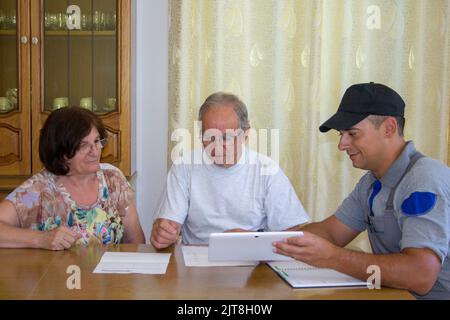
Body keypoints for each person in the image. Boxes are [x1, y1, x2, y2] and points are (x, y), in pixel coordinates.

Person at [273, 82, 450, 299]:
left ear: (389, 128)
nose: (342, 145)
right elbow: (330, 233)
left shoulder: (424, 179)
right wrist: (258, 241)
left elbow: (420, 276)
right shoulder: (370, 182)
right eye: (341, 134)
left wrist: (333, 257)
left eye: (352, 133)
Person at [151, 92, 309, 248]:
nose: (217, 146)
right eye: (210, 137)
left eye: (226, 137)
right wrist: (163, 233)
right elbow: (168, 224)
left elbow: (290, 234)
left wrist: (252, 240)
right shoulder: (184, 166)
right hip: (197, 259)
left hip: (251, 260)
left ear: (245, 134)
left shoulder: (267, 170)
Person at [0, 107, 145, 250]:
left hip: (109, 273)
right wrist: (40, 239)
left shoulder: (113, 179)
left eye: (96, 141)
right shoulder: (40, 189)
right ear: (61, 151)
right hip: (59, 274)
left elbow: (134, 241)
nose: (94, 152)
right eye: (83, 145)